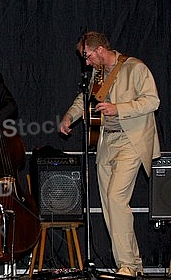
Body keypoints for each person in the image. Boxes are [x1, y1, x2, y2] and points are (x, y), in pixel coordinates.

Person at [58, 31, 160, 278]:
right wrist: (70, 116)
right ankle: (129, 265)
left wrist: (119, 108)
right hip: (106, 142)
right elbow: (85, 100)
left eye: (88, 56)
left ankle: (129, 264)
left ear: (100, 50)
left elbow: (152, 101)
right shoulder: (98, 74)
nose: (87, 62)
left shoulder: (135, 68)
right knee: (108, 205)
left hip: (131, 141)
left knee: (116, 198)